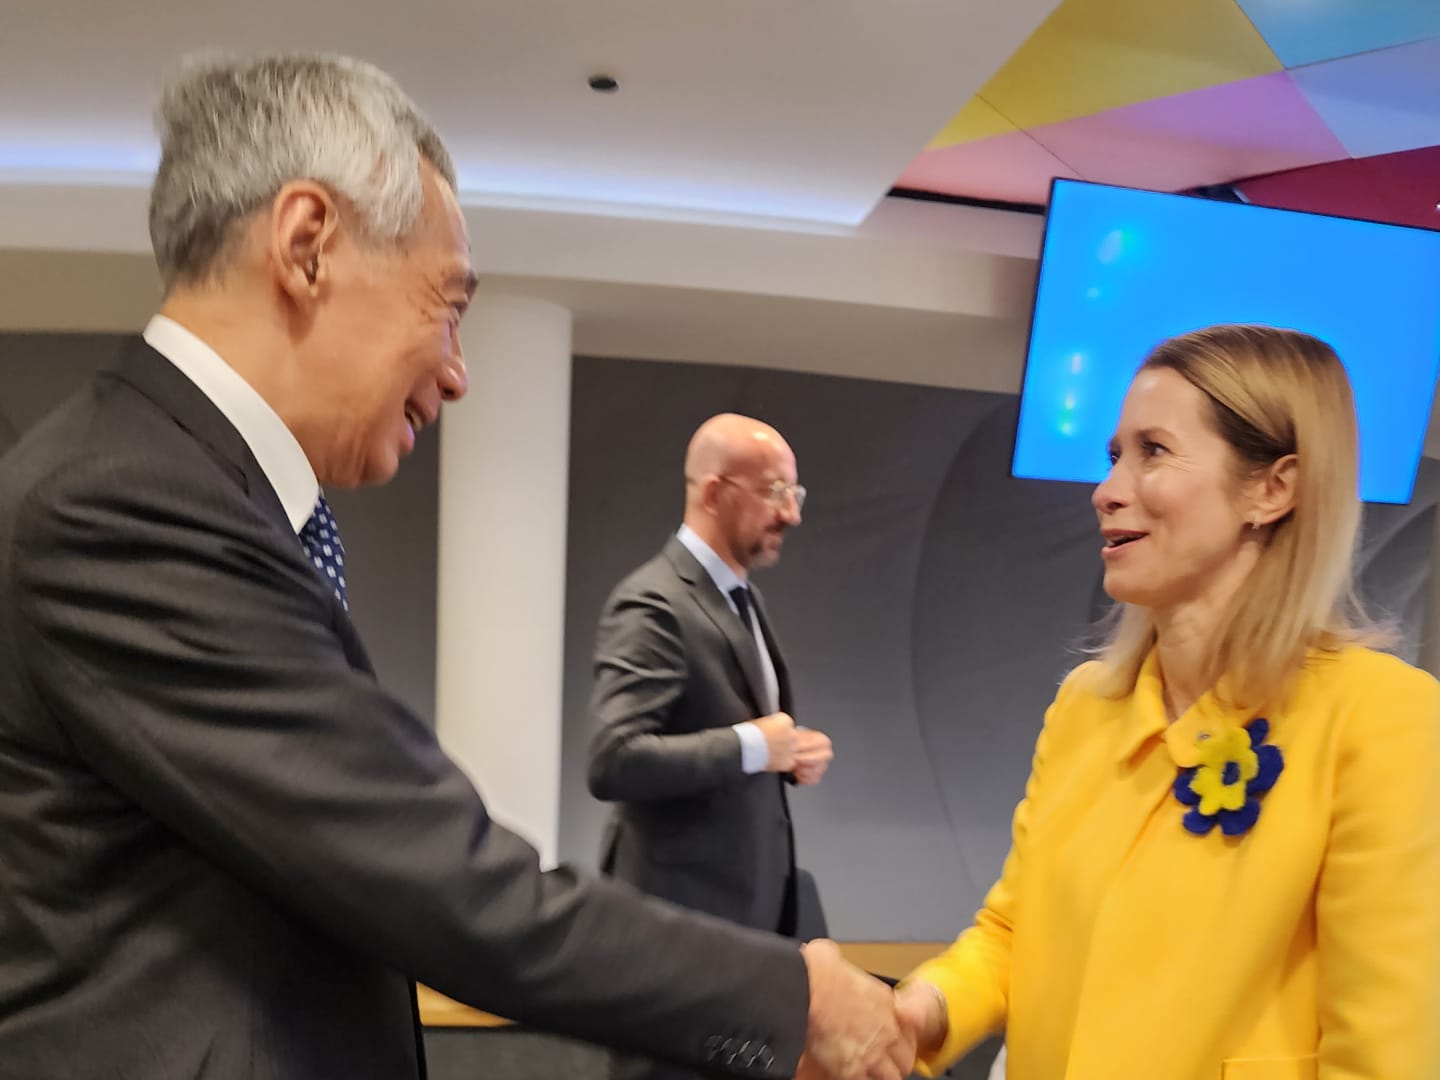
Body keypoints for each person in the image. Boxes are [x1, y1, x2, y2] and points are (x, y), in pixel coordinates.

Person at [0, 53, 917, 1080]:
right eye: (449, 305)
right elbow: (435, 873)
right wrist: (787, 999)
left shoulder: (186, 489)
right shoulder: (124, 503)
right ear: (307, 248)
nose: (458, 372)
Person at [893, 325, 1440, 1079]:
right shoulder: (1086, 706)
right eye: (1115, 455)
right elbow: (1012, 935)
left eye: (1154, 451)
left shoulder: (1385, 720)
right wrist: (917, 1015)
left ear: (1273, 489)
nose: (1107, 491)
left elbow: (1384, 1057)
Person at [588, 414, 835, 1079]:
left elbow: (732, 736)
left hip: (740, 942)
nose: (792, 514)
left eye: (796, 494)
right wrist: (754, 746)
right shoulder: (654, 603)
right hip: (674, 948)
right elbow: (614, 759)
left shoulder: (739, 600)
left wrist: (786, 754)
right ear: (717, 490)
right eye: (777, 491)